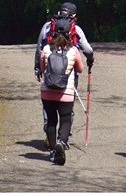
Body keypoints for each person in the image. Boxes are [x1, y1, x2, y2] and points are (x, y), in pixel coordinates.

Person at [34, 2, 95, 148]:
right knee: (66, 110)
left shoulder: (47, 27)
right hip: (69, 77)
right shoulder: (76, 30)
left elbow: (39, 48)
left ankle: (50, 138)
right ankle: (63, 138)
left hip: (49, 75)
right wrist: (90, 60)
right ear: (74, 16)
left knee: (49, 110)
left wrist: (38, 68)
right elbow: (88, 50)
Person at [39, 30, 85, 166]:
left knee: (51, 121)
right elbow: (80, 69)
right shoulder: (73, 51)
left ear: (52, 36)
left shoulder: (46, 49)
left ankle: (54, 150)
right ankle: (62, 142)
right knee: (65, 119)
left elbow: (42, 68)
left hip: (47, 92)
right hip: (66, 92)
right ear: (69, 37)